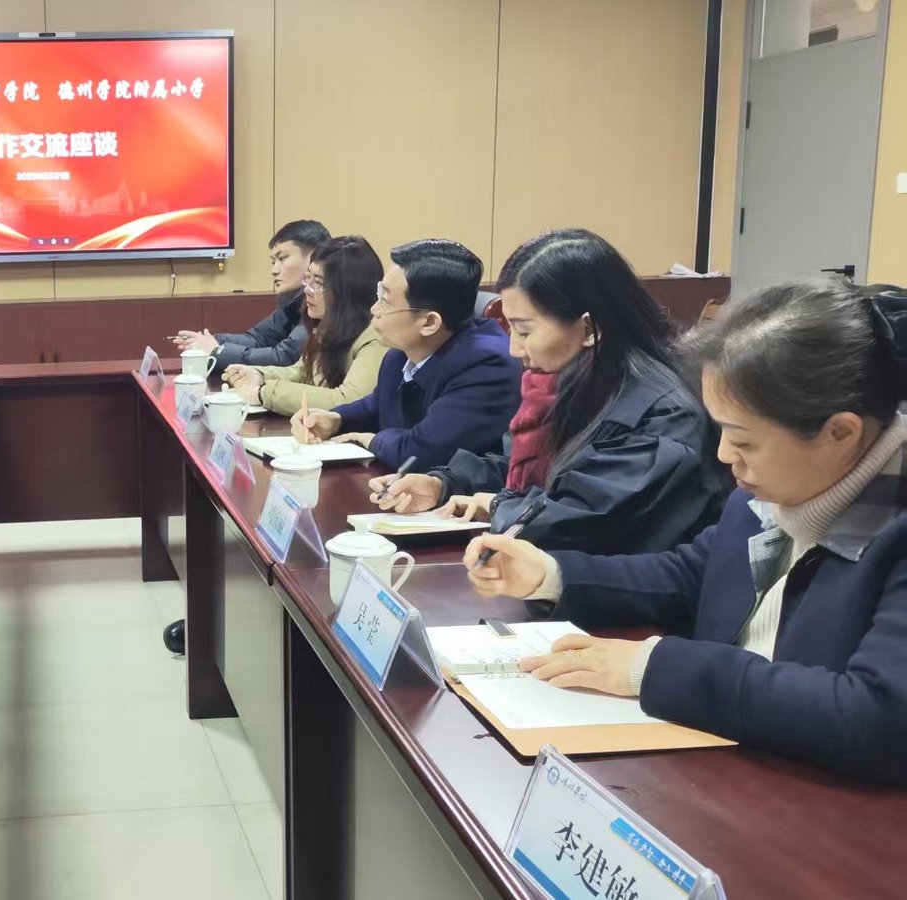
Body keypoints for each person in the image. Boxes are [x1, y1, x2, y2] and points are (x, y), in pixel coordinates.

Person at [466, 280, 907, 784]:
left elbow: (877, 716)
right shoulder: (771, 490)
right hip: (728, 767)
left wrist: (654, 668)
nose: (724, 456)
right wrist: (551, 574)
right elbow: (691, 574)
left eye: (743, 440)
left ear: (840, 433)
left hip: (823, 804)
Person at [370, 229, 727, 553]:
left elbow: (584, 519)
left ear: (588, 328)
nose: (514, 348)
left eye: (525, 331)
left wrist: (497, 505)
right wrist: (444, 483)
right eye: (510, 328)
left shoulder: (661, 412)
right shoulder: (568, 380)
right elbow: (520, 464)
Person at [290, 238, 520, 469]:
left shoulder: (487, 366)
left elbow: (422, 452)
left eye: (385, 301)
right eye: (379, 295)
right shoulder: (401, 353)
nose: (374, 309)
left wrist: (370, 440)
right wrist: (337, 420)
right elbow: (378, 405)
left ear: (429, 322)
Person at [221, 235, 388, 414]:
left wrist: (264, 393)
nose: (307, 290)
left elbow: (347, 400)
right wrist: (259, 375)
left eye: (318, 283)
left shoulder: (376, 337)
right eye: (307, 278)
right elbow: (303, 373)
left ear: (348, 291)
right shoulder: (328, 326)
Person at [174, 219, 330, 368]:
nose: (274, 270)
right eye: (273, 262)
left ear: (315, 257)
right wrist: (213, 341)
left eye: (282, 258)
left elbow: (284, 357)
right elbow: (258, 338)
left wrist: (217, 351)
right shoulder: (293, 302)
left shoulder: (325, 302)